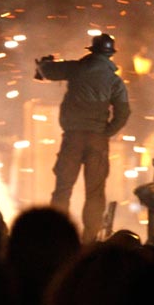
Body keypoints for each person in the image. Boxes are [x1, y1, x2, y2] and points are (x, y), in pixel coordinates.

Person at [35, 33, 131, 243]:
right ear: (110, 54)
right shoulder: (114, 81)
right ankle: (89, 239)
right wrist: (106, 132)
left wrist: (44, 64)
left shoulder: (76, 68)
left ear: (92, 50)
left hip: (73, 138)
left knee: (63, 188)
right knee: (95, 192)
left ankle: (56, 236)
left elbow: (47, 71)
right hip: (97, 141)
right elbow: (123, 113)